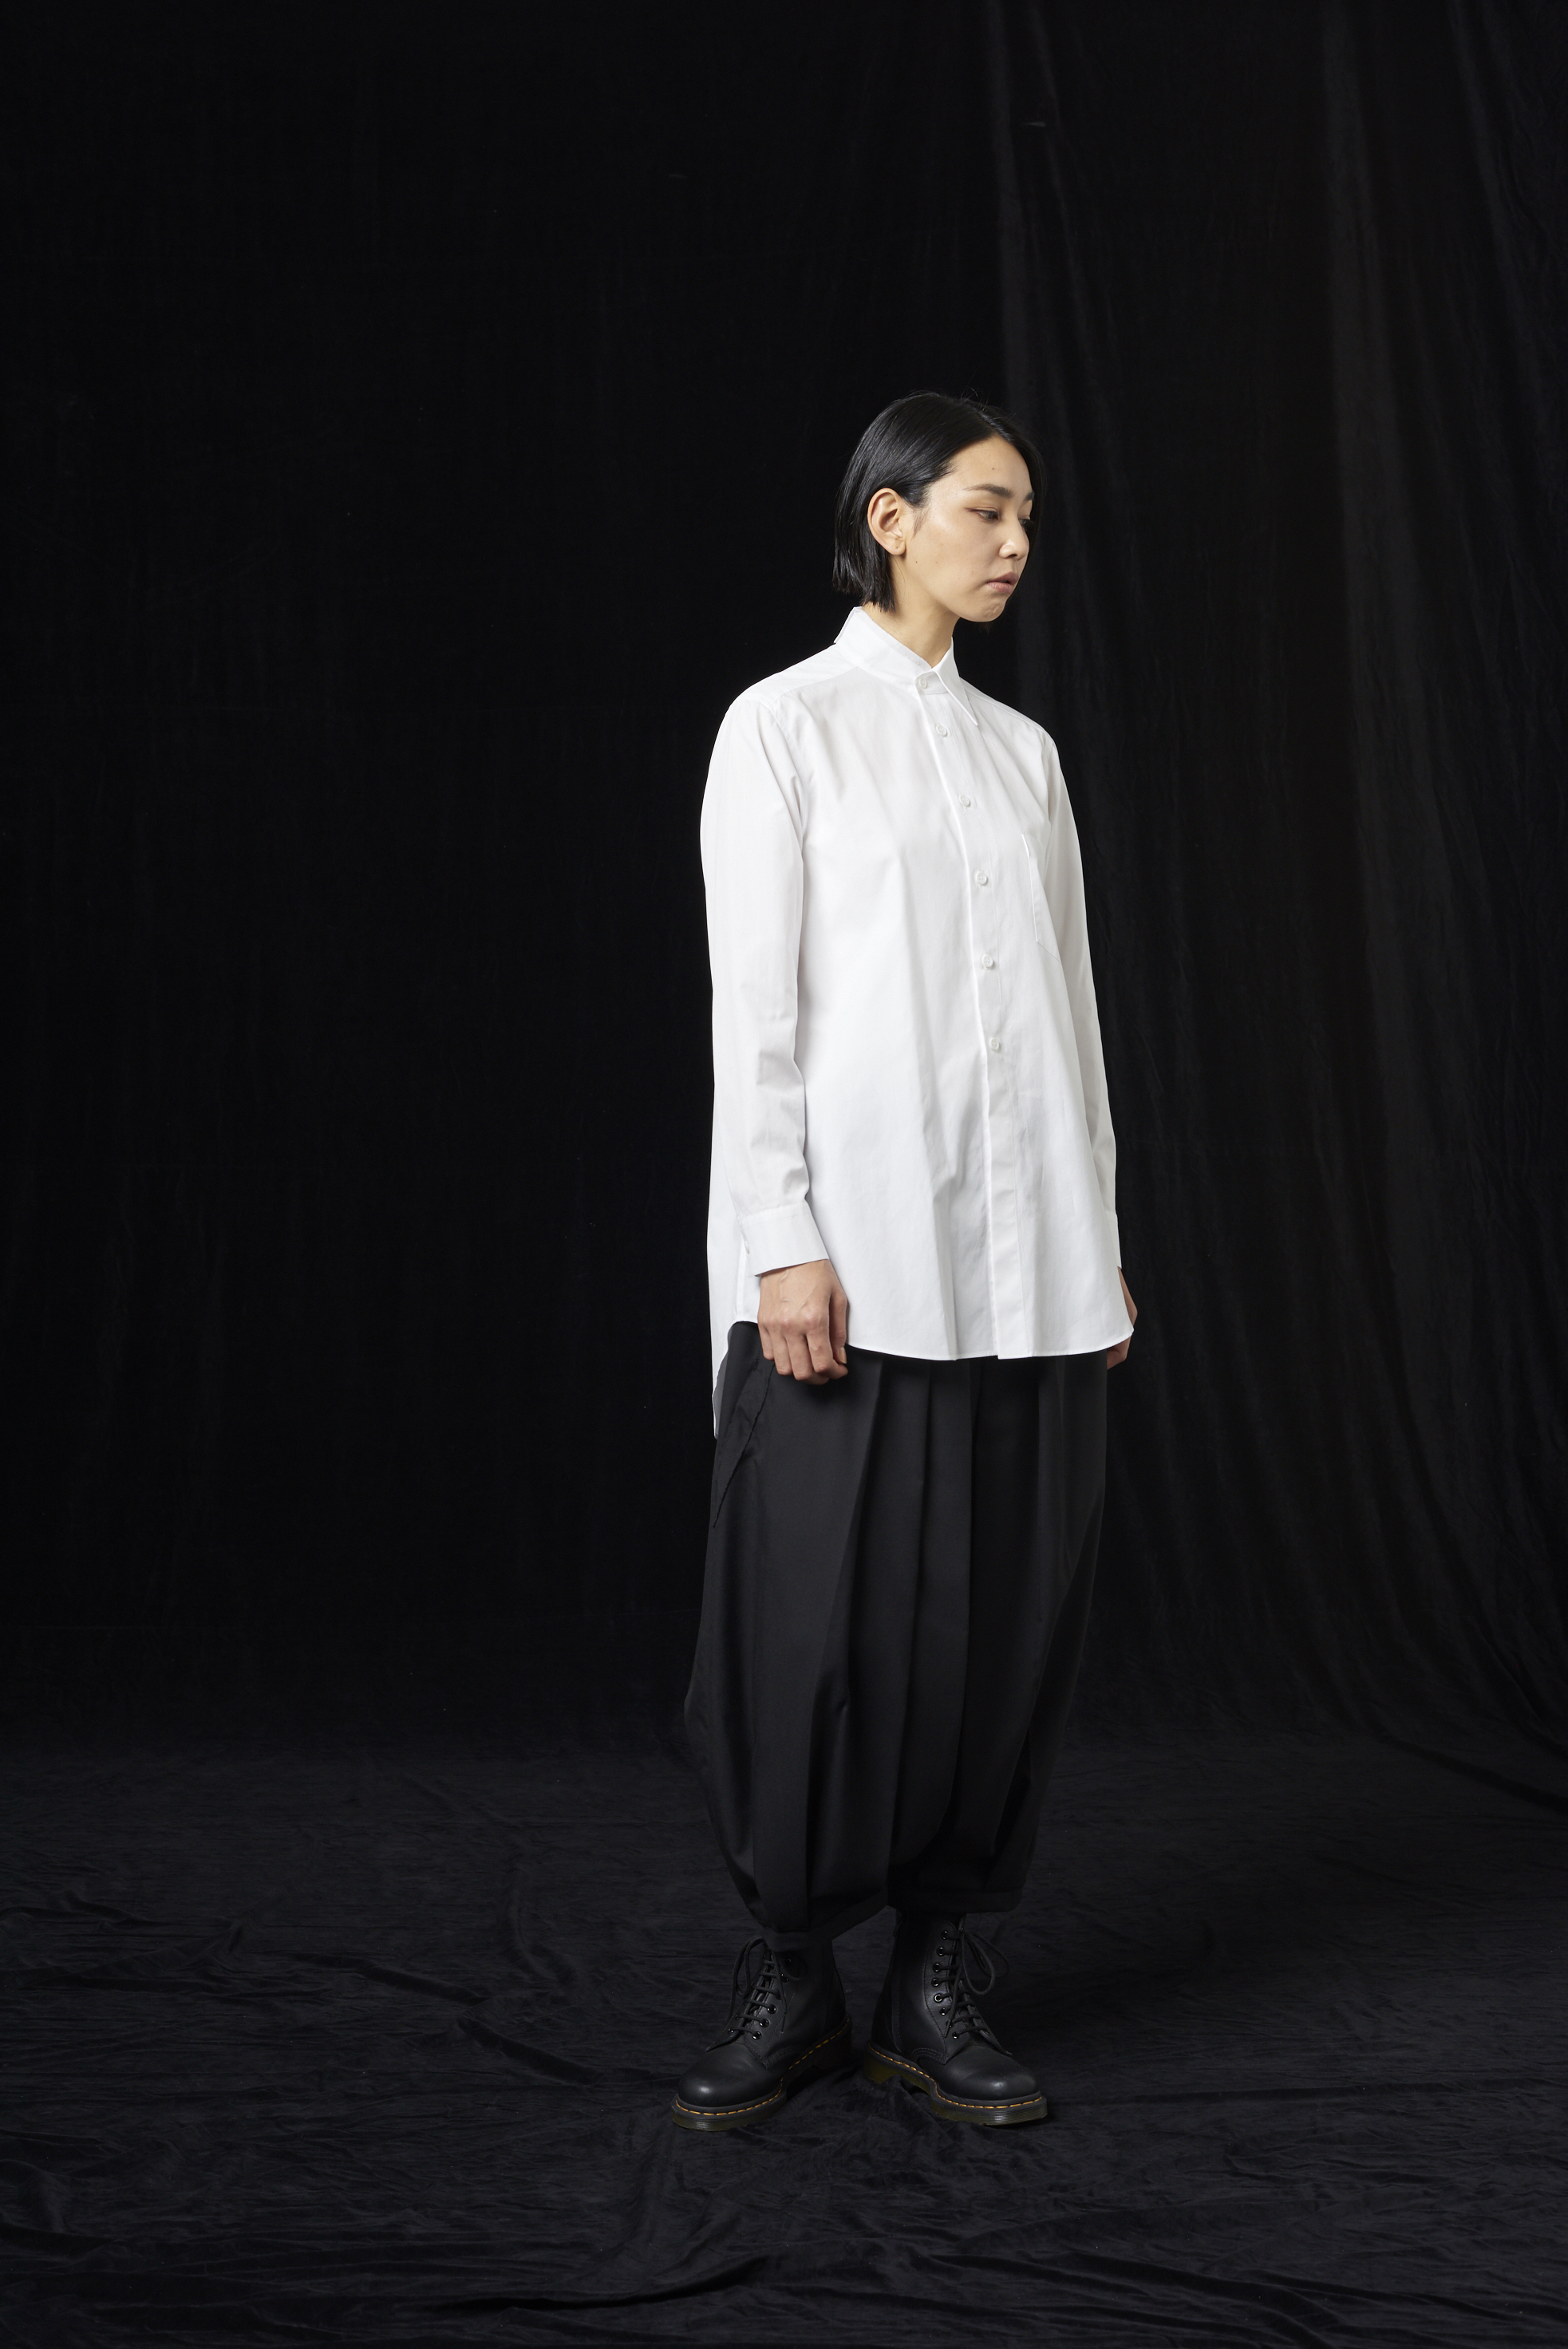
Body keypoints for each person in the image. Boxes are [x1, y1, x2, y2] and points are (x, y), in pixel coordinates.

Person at [673, 392, 1136, 2134]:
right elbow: (756, 1014)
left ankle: (935, 1979)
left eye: (1024, 518)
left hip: (1032, 1279)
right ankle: (791, 1974)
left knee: (1000, 1637)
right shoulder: (783, 727)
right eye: (984, 509)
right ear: (890, 515)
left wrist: (1094, 1244)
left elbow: (1070, 1022)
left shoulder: (1022, 755)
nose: (1012, 543)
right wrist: (782, 1242)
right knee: (810, 1635)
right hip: (853, 1271)